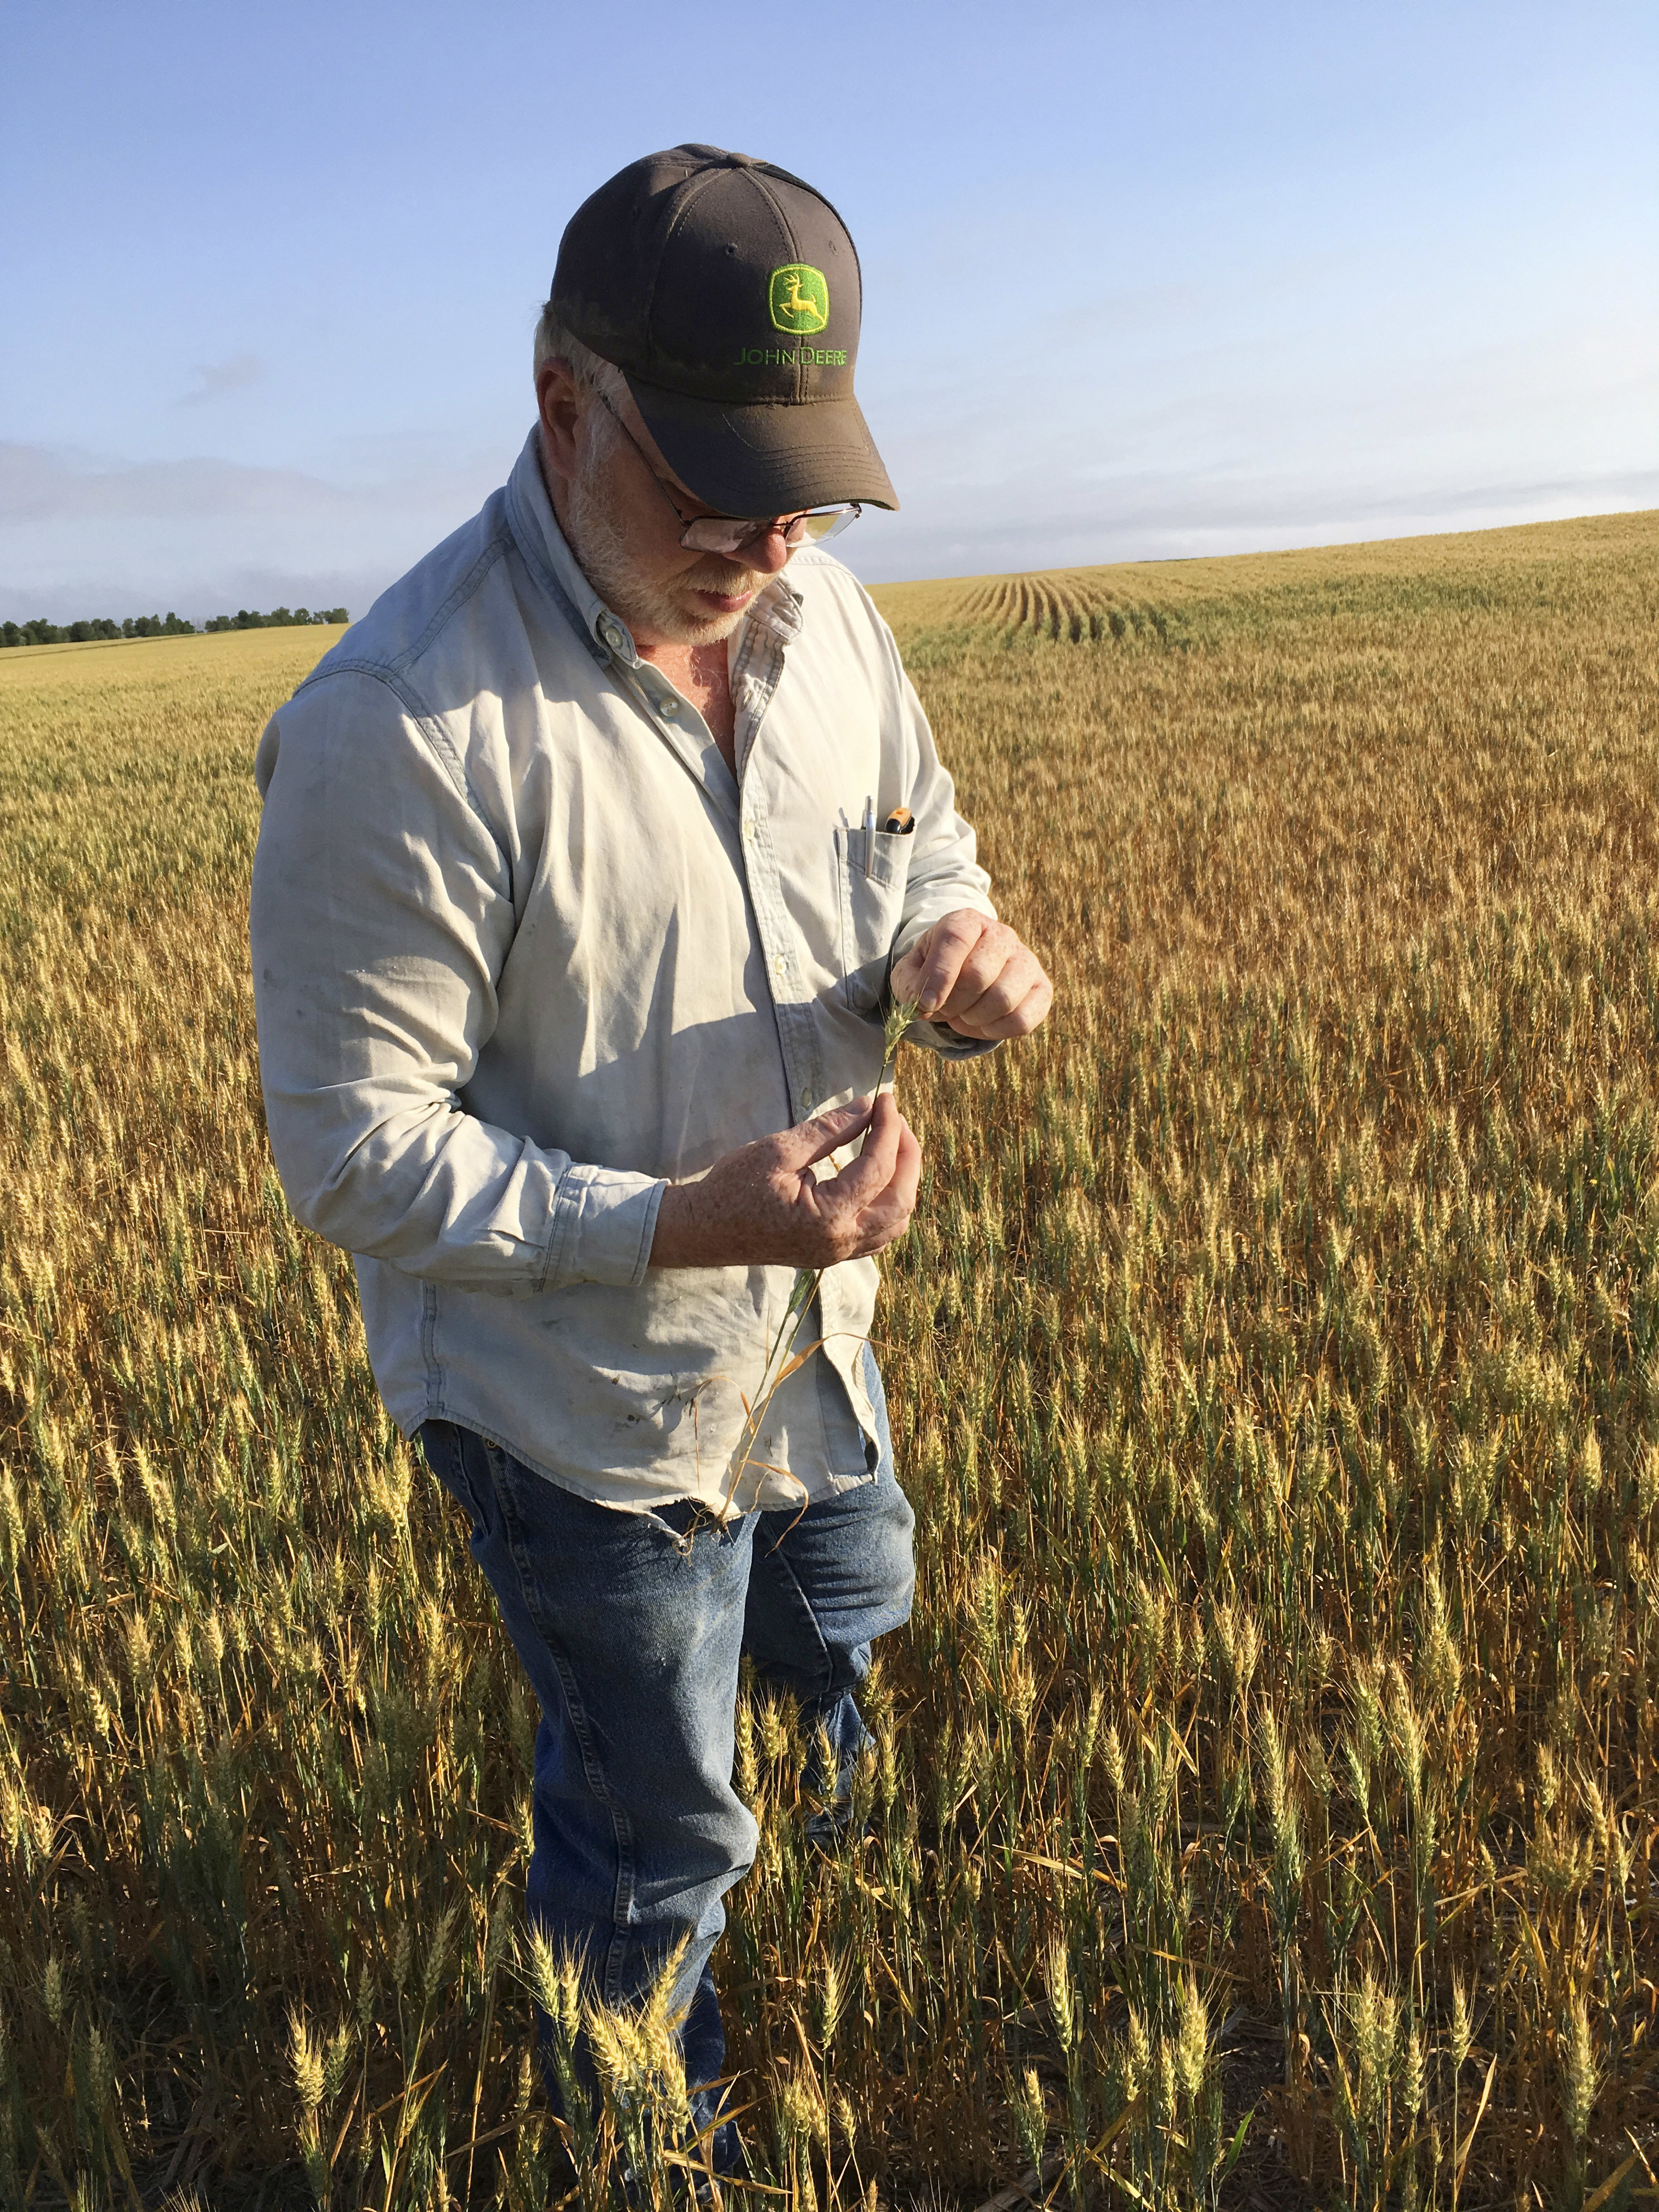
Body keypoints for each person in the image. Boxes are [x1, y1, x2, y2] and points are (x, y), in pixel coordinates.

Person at [249, 143, 1053, 2175]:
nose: (764, 537)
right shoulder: (403, 728)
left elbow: (919, 836)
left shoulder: (825, 617)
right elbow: (353, 1154)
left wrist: (953, 942)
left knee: (853, 1597)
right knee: (654, 1821)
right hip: (581, 1421)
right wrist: (685, 1219)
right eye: (711, 478)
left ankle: (847, 1876)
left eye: (802, 486)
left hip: (819, 1338)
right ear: (561, 404)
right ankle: (644, 2140)